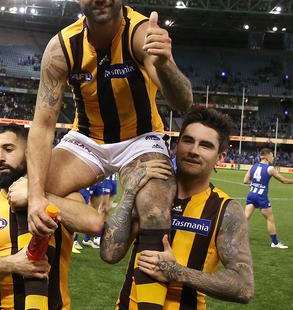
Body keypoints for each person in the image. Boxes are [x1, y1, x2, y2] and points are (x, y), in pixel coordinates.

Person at [27, 0, 192, 308]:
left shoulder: (141, 33)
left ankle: (144, 303)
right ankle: (46, 296)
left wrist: (164, 64)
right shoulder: (61, 48)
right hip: (86, 139)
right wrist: (39, 197)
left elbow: (182, 102)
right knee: (26, 194)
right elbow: (42, 126)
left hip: (142, 138)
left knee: (154, 210)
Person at [102, 107, 254, 309]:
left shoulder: (226, 210)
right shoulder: (149, 192)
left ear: (221, 157)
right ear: (176, 145)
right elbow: (109, 253)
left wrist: (177, 272)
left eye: (205, 146)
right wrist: (129, 193)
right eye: (188, 140)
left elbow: (243, 287)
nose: (193, 150)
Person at [0, 124, 104, 309]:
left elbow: (94, 224)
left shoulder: (61, 196)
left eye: (8, 149)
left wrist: (37, 195)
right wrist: (13, 264)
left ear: (29, 153)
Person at [243, 148, 293, 249]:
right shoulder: (270, 168)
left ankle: (233, 237)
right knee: (270, 219)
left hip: (251, 194)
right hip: (261, 197)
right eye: (272, 155)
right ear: (267, 156)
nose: (273, 157)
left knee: (244, 218)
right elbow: (283, 180)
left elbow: (245, 180)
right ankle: (274, 243)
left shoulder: (253, 166)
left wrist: (255, 184)